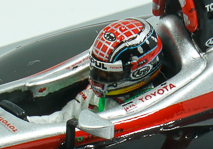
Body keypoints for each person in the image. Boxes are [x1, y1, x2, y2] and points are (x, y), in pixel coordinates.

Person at [28, 17, 166, 124]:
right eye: (96, 70)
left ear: (139, 72)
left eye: (107, 74)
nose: (96, 79)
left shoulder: (152, 106)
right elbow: (62, 119)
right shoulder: (95, 94)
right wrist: (28, 122)